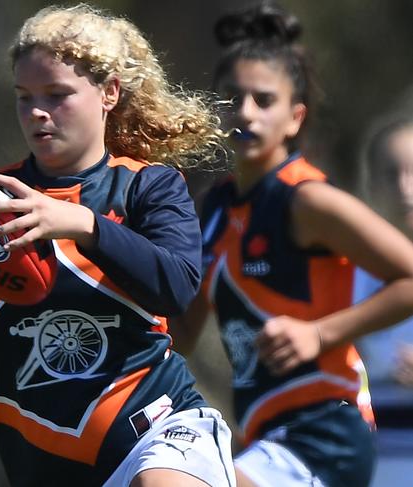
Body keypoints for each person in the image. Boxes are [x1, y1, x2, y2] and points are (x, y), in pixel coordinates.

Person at [0, 4, 236, 487]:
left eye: (57, 95)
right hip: (41, 459)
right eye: (24, 97)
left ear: (109, 93)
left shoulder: (146, 187)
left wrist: (86, 225)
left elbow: (177, 287)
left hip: (153, 428)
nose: (36, 112)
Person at [171, 2, 413, 487]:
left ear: (295, 117)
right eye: (232, 97)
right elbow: (180, 334)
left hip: (325, 435)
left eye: (264, 100)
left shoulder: (307, 200)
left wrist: (319, 334)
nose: (245, 112)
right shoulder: (213, 207)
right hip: (264, 436)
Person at [355, 113, 413, 388]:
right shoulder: (348, 270)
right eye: (391, 174)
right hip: (372, 427)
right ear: (371, 185)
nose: (405, 188)